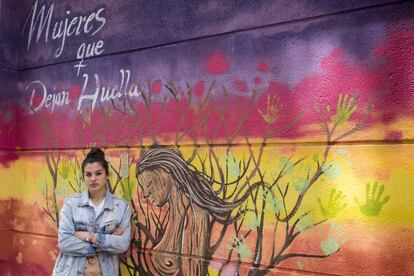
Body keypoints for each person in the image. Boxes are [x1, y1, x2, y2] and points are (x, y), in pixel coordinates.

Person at [52, 147, 131, 276]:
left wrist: (88, 236)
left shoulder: (121, 207)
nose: (93, 178)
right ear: (83, 177)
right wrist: (105, 241)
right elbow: (64, 242)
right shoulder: (71, 205)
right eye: (88, 174)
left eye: (98, 173)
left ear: (107, 175)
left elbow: (122, 244)